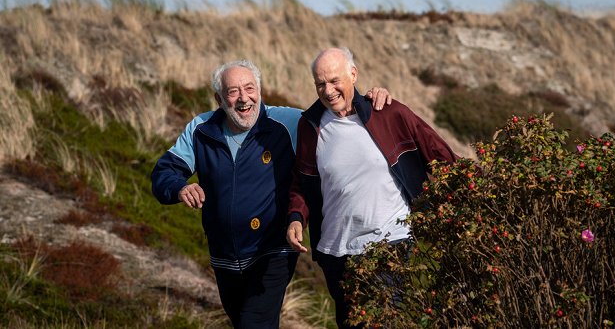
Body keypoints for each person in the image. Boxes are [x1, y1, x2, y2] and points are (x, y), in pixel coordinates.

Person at [151, 59, 391, 329]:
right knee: (244, 321)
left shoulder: (287, 122)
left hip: (272, 251)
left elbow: (338, 113)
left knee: (254, 323)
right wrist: (181, 187)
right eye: (233, 92)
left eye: (250, 88)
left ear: (260, 89)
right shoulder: (201, 129)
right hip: (223, 256)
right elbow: (163, 173)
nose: (244, 99)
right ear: (219, 98)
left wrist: (368, 101)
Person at [286, 47, 457, 329]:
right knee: (350, 323)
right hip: (335, 250)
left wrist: (474, 194)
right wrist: (295, 217)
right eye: (320, 84)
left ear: (353, 75)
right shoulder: (310, 125)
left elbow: (438, 153)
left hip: (389, 242)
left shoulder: (388, 112)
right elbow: (301, 181)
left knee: (386, 320)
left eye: (334, 80)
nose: (328, 90)